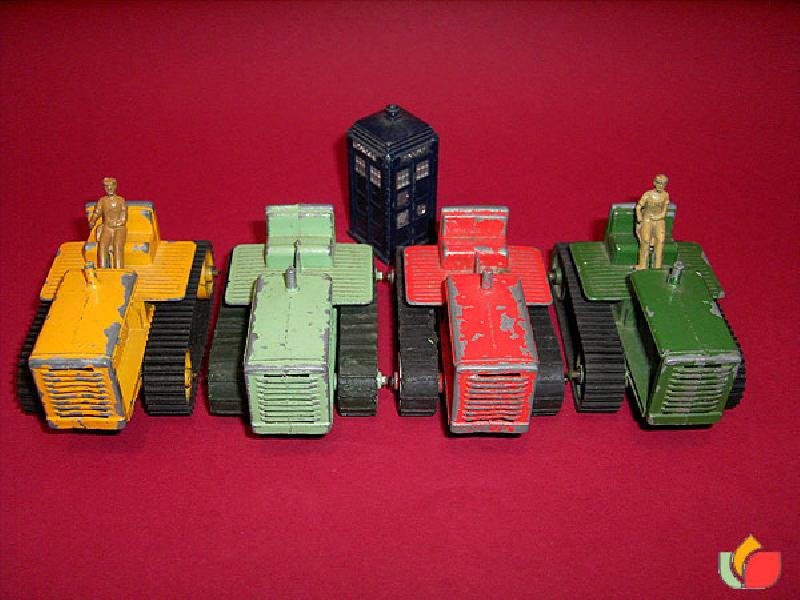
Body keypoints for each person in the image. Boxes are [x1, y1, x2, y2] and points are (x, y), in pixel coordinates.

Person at [88, 177, 127, 268]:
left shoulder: (121, 200)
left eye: (111, 186)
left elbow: (124, 216)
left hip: (119, 228)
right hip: (107, 227)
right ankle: (102, 269)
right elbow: (97, 212)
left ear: (115, 186)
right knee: (102, 245)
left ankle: (119, 269)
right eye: (106, 186)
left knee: (117, 245)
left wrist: (118, 223)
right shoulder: (102, 201)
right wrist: (93, 220)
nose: (109, 188)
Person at [635, 174, 670, 269]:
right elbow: (639, 206)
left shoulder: (665, 195)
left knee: (660, 241)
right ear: (654, 183)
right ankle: (642, 265)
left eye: (663, 184)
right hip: (647, 219)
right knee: (645, 241)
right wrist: (639, 216)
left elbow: (664, 212)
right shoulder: (648, 194)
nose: (660, 186)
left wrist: (657, 217)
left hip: (659, 220)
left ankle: (657, 266)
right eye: (658, 183)